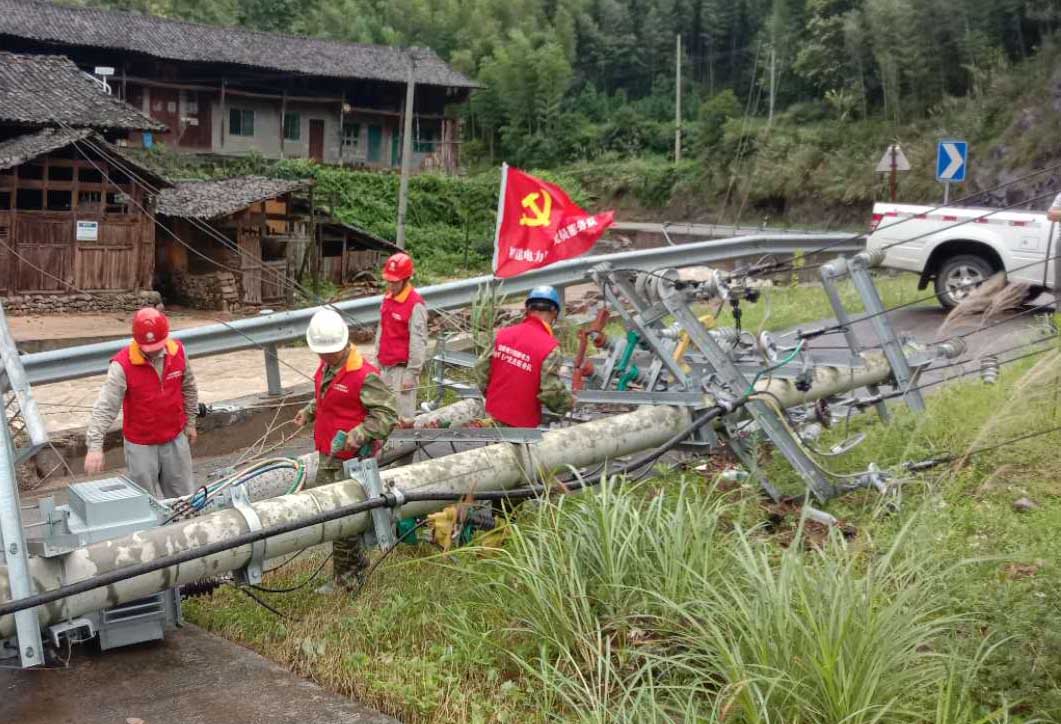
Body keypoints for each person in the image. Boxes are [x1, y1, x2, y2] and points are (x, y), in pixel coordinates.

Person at [294, 308, 397, 592]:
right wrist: (309, 412)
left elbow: (387, 415)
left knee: (342, 517)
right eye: (320, 353)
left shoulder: (365, 376)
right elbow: (326, 398)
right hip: (329, 453)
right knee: (334, 513)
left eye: (328, 353)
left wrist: (361, 433)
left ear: (343, 344)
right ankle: (352, 568)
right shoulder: (328, 366)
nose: (323, 357)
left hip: (351, 460)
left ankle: (347, 578)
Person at [84, 308, 197, 499]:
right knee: (145, 503)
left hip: (175, 438)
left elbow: (189, 388)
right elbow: (105, 407)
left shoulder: (178, 352)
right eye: (148, 349)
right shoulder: (121, 365)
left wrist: (191, 422)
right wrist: (95, 446)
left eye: (157, 347)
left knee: (184, 500)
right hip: (141, 445)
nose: (153, 353)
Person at [473, 286, 575, 427]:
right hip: (522, 426)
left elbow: (480, 368)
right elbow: (550, 391)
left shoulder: (503, 334)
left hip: (494, 414)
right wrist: (568, 404)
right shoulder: (550, 348)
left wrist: (491, 396)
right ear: (555, 312)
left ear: (527, 310)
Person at [374, 252, 428, 421]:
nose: (391, 285)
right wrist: (376, 362)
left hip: (402, 370)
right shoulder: (388, 298)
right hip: (384, 366)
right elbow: (381, 331)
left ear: (406, 279)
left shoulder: (415, 304)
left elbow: (418, 342)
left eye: (395, 282)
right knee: (382, 414)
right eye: (389, 281)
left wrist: (411, 374)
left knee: (402, 418)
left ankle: (405, 446)